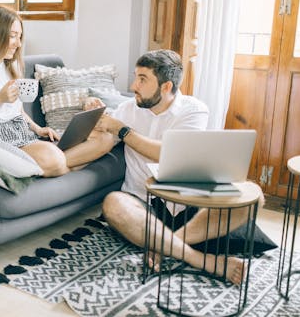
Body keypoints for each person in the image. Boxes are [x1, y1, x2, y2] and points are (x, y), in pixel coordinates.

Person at [89, 49, 264, 285]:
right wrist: (91, 112)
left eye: (142, 79)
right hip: (143, 202)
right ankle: (200, 259)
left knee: (254, 196)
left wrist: (122, 130)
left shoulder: (194, 110)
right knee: (113, 203)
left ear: (166, 87)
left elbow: (166, 153)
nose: (133, 86)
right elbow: (100, 134)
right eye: (135, 76)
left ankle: (164, 245)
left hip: (186, 204)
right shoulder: (126, 110)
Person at [0, 6, 114, 177]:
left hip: (22, 132)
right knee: (54, 158)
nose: (18, 43)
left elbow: (17, 110)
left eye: (20, 36)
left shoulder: (9, 65)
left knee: (105, 138)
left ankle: (56, 166)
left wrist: (38, 129)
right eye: (13, 36)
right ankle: (61, 163)